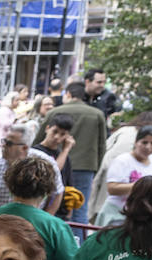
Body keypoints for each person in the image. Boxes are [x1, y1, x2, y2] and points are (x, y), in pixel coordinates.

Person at [37, 83, 107, 224]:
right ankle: (76, 243)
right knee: (79, 209)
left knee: (49, 206)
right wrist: (96, 167)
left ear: (67, 94)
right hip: (85, 166)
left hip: (55, 163)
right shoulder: (97, 114)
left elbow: (38, 139)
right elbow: (101, 145)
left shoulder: (54, 112)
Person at [0, 125, 63, 214]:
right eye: (4, 141)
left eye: (9, 143)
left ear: (24, 148)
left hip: (32, 223)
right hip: (2, 222)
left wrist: (46, 217)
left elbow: (58, 193)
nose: (3, 145)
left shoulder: (45, 164)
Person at [94, 124, 152, 227]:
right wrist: (142, 186)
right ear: (136, 142)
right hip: (118, 214)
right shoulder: (123, 160)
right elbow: (112, 188)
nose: (148, 147)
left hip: (142, 215)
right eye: (144, 142)